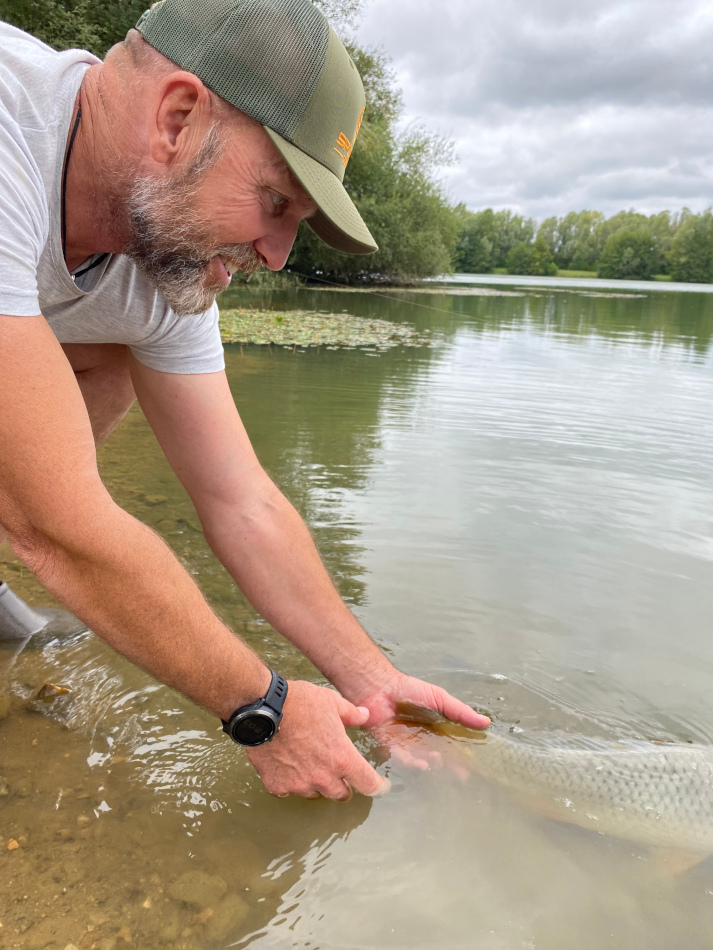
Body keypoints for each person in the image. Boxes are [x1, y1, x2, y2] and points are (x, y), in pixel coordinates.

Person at [0, 0, 490, 802]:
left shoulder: (163, 267)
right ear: (178, 117)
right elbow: (58, 529)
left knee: (115, 356)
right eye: (275, 204)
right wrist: (263, 707)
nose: (274, 253)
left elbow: (242, 499)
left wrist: (373, 679)